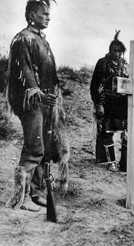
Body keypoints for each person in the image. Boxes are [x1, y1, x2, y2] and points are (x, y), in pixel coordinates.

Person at [6, 0, 58, 211]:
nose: (48, 17)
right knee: (34, 147)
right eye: (43, 13)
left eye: (48, 14)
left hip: (45, 101)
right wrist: (36, 92)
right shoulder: (23, 39)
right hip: (30, 102)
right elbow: (25, 72)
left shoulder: (42, 40)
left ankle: (37, 192)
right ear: (31, 15)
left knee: (44, 147)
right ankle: (21, 198)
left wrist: (52, 95)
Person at [90, 31, 128, 172]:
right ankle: (110, 161)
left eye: (120, 51)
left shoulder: (125, 65)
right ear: (110, 50)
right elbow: (95, 85)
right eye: (115, 50)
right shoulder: (103, 63)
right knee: (106, 132)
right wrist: (98, 104)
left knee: (124, 132)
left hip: (122, 104)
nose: (117, 53)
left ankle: (123, 163)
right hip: (107, 102)